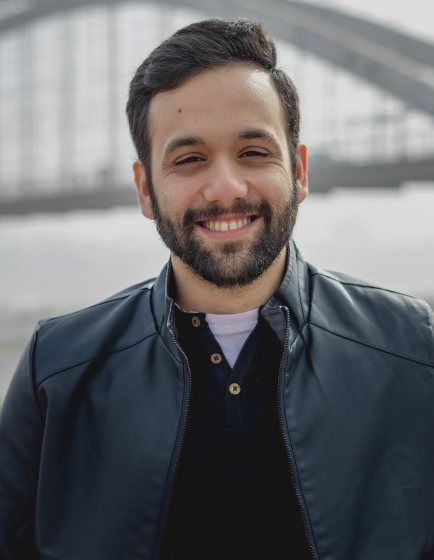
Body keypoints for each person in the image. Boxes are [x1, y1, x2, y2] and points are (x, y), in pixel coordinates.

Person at [0, 18, 433, 560]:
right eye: (189, 159)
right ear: (145, 190)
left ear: (299, 170)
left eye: (253, 151)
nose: (225, 186)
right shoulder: (57, 370)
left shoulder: (414, 351)